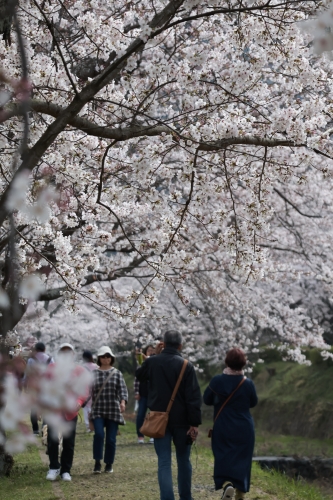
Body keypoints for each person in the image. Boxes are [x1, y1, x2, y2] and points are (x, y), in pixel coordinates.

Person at [136, 330, 202, 500]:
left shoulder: (152, 363)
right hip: (183, 421)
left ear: (163, 344)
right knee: (183, 460)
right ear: (180, 345)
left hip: (159, 420)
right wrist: (194, 423)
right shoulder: (186, 365)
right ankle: (186, 497)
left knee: (164, 462)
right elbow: (193, 397)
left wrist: (153, 356)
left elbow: (140, 376)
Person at [203, 348, 258, 500]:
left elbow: (206, 399)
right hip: (244, 427)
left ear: (227, 362)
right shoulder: (247, 384)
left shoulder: (217, 381)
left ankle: (227, 484)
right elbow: (253, 402)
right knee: (243, 458)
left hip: (223, 425)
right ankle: (240, 493)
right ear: (243, 364)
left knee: (222, 455)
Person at [46, 343, 88, 482]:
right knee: (52, 440)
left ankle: (66, 470)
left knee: (69, 442)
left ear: (73, 355)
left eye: (68, 352)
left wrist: (79, 401)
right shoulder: (51, 368)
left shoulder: (79, 370)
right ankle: (53, 467)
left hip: (70, 411)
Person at [91, 345, 128, 474]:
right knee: (99, 435)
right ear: (99, 358)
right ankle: (97, 462)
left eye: (108, 356)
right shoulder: (94, 373)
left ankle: (109, 463)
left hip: (113, 409)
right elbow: (88, 391)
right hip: (98, 409)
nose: (105, 359)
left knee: (111, 438)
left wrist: (123, 402)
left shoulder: (117, 373)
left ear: (111, 358)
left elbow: (122, 389)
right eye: (103, 357)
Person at [27, 342, 54, 435]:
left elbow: (27, 374)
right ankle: (44, 428)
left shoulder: (31, 360)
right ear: (44, 349)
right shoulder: (50, 359)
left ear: (36, 349)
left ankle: (35, 430)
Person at [134, 344, 155, 444]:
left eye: (153, 350)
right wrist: (137, 392)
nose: (151, 352)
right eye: (149, 350)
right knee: (141, 415)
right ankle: (140, 436)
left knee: (153, 415)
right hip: (143, 393)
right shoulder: (141, 363)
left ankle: (152, 435)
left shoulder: (157, 363)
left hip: (154, 394)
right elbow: (136, 379)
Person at [82, 350, 98, 432]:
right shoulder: (96, 366)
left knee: (86, 407)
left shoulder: (82, 367)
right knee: (94, 406)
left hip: (85, 388)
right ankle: (94, 424)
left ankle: (88, 426)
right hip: (95, 388)